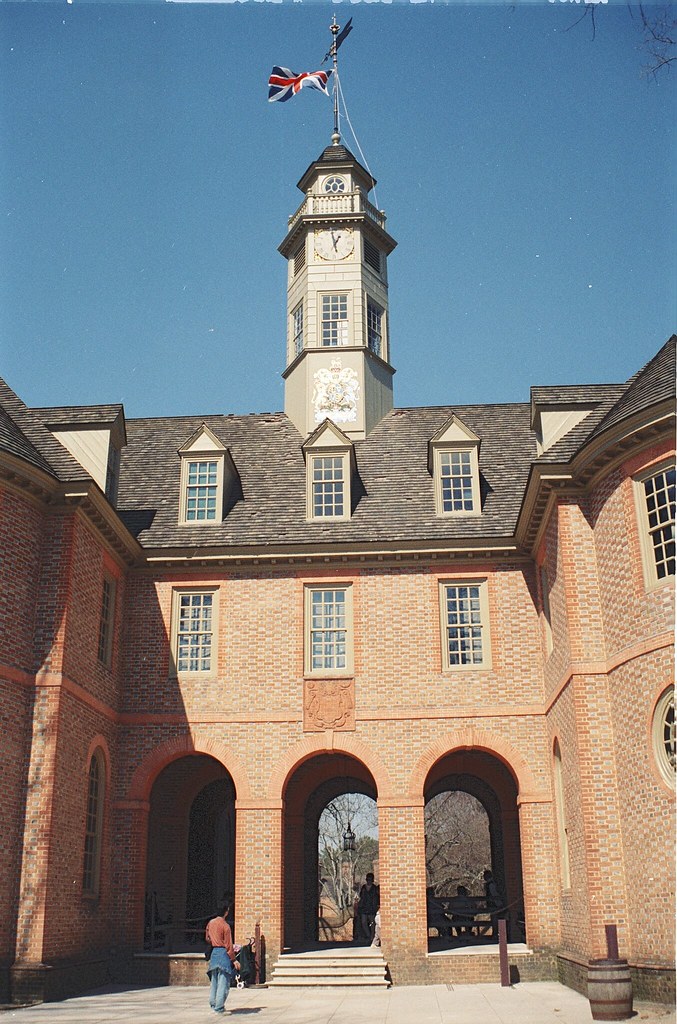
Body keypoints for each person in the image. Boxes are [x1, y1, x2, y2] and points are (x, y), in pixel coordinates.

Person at [205, 902, 240, 1015]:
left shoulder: (210, 923)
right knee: (223, 982)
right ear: (226, 912)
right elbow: (229, 945)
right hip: (223, 953)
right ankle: (219, 1007)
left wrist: (214, 941)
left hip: (214, 953)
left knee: (214, 981)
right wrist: (234, 960)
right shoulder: (225, 926)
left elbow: (207, 938)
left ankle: (213, 1004)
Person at [356, 872, 380, 945]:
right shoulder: (363, 887)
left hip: (372, 908)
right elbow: (361, 896)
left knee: (372, 923)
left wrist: (376, 906)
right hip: (364, 907)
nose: (369, 881)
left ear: (372, 880)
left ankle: (372, 937)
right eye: (368, 879)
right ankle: (368, 935)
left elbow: (376, 898)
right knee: (363, 922)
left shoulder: (374, 888)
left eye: (370, 880)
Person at [483, 869, 505, 938]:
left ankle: (496, 934)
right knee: (494, 920)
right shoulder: (491, 884)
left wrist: (499, 904)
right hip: (493, 904)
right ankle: (495, 933)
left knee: (495, 920)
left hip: (494, 905)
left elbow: (494, 895)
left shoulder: (491, 884)